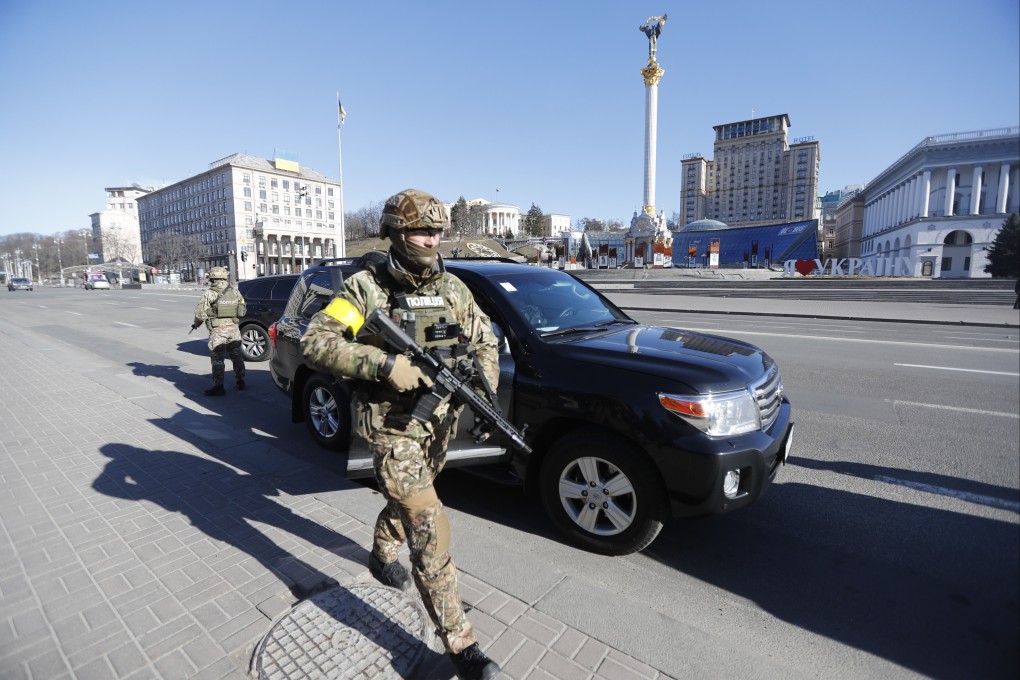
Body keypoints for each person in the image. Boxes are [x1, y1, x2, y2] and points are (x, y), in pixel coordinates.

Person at [301, 189, 501, 680]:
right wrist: (385, 363)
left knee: (407, 504)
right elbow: (315, 342)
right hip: (392, 430)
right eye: (420, 230)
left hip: (437, 426)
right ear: (395, 231)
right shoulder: (364, 289)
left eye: (436, 231)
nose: (430, 239)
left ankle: (381, 552)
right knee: (430, 526)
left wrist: (483, 384)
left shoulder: (454, 289)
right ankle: (462, 646)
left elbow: (484, 339)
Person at [192, 266, 247, 396]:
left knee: (218, 359)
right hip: (234, 329)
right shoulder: (235, 292)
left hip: (218, 331)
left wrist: (196, 324)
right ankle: (240, 381)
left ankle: (219, 386)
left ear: (212, 278)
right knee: (237, 356)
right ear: (224, 277)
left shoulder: (210, 293)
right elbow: (243, 310)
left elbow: (200, 314)